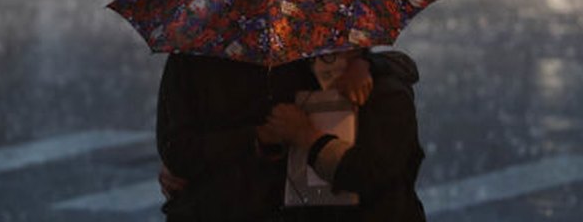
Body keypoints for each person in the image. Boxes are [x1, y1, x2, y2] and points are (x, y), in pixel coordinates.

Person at [157, 48, 425, 222]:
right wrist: (258, 137)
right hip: (216, 207)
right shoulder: (191, 60)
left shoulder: (293, 54)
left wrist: (368, 63)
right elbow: (176, 149)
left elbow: (397, 66)